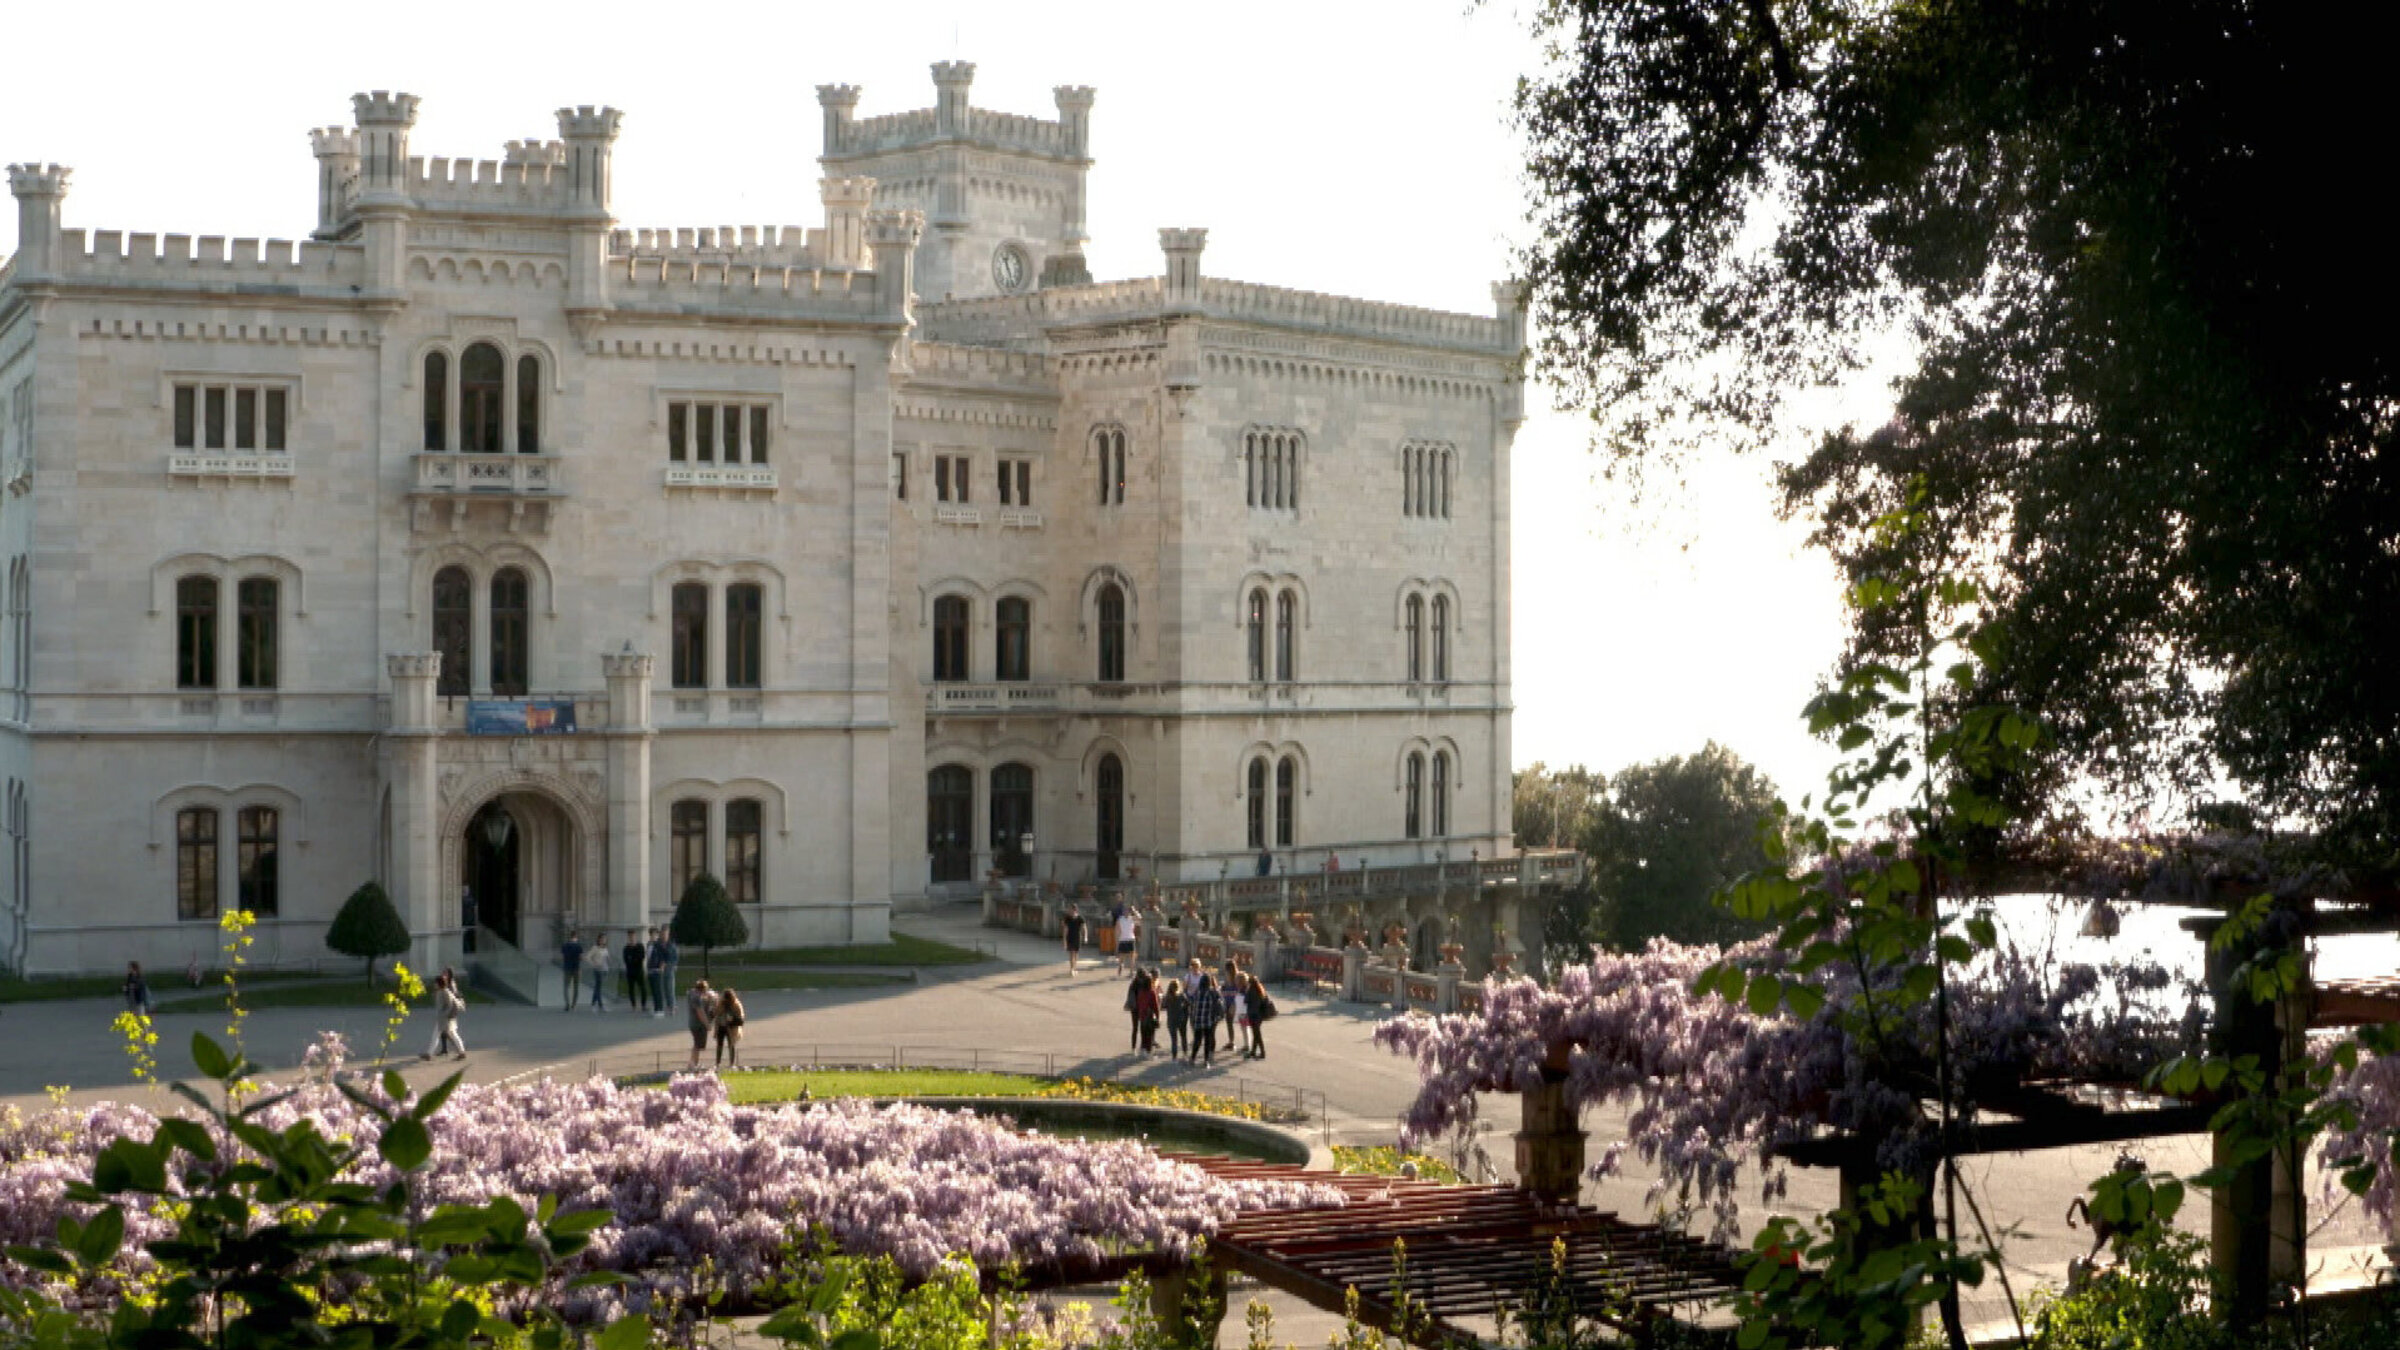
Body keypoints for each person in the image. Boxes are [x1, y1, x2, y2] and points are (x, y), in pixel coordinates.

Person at [422, 970, 467, 1060]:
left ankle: (429, 1054)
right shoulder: (441, 991)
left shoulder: (445, 992)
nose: (434, 985)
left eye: (435, 983)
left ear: (439, 983)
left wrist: (444, 1015)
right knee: (452, 1034)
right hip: (444, 1018)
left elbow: (450, 1005)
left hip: (444, 1018)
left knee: (437, 1035)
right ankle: (461, 1052)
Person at [1187, 974, 1223, 1066]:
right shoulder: (1213, 992)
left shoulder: (1197, 992)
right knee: (1207, 1040)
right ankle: (1206, 1061)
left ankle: (1192, 1058)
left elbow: (1191, 1002)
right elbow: (1220, 1002)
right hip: (1209, 1020)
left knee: (1197, 1040)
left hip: (1198, 1019)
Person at [685, 978, 719, 1070]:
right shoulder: (696, 998)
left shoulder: (692, 993)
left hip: (694, 1023)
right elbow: (700, 1012)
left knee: (697, 1044)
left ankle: (695, 1063)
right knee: (697, 1045)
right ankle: (692, 1064)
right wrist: (707, 1024)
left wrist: (712, 998)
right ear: (702, 990)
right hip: (698, 1024)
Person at [713, 987, 747, 1068]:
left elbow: (741, 1019)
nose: (726, 1002)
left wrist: (732, 1018)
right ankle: (717, 1063)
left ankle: (732, 1064)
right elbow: (716, 1014)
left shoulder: (736, 1004)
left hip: (732, 1027)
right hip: (721, 1026)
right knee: (719, 1045)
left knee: (731, 1044)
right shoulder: (721, 1003)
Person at [1125, 968, 1157, 1053]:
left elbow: (1130, 997)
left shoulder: (1133, 984)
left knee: (1135, 1028)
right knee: (1143, 1028)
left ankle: (1134, 1047)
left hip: (1134, 1008)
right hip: (1142, 1009)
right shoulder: (1144, 984)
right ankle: (1143, 1047)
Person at [1245, 973, 1275, 1059]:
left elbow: (1245, 1001)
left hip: (1252, 1015)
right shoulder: (1260, 990)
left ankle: (1262, 1052)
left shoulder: (1250, 991)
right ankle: (1253, 1052)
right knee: (1256, 1034)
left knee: (1257, 1035)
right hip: (1260, 1015)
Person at [647, 928, 673, 1016]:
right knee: (653, 990)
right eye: (651, 934)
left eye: (654, 934)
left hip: (657, 970)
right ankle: (656, 1008)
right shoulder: (649, 944)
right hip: (650, 970)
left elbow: (667, 955)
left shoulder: (659, 945)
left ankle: (660, 1009)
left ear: (657, 935)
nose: (653, 936)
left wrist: (663, 965)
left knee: (658, 990)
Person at [621, 930, 648, 1011]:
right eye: (630, 936)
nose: (631, 938)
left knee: (643, 988)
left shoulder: (640, 946)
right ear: (628, 937)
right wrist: (634, 959)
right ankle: (633, 1005)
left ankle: (643, 1005)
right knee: (631, 989)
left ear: (635, 936)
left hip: (639, 971)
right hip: (630, 971)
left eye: (633, 936)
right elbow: (626, 960)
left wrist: (633, 959)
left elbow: (642, 957)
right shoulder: (626, 948)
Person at [560, 930, 585, 1012]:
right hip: (576, 968)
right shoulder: (579, 946)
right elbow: (581, 958)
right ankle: (573, 1005)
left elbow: (563, 957)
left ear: (570, 937)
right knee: (576, 987)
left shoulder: (565, 946)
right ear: (576, 937)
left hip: (567, 968)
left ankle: (567, 1003)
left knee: (566, 986)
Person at [1163, 978, 1188, 1059]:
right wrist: (1183, 1007)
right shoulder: (1181, 995)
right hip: (1181, 1019)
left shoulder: (1167, 997)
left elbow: (1163, 1006)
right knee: (1183, 1037)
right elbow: (1188, 1003)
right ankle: (1185, 1053)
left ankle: (1174, 1057)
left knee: (1174, 1040)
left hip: (1171, 1020)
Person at [585, 934, 610, 1012]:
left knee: (597, 988)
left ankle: (593, 1004)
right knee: (598, 988)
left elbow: (607, 957)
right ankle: (600, 1005)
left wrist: (609, 960)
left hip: (604, 970)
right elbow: (587, 957)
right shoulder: (595, 948)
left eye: (604, 939)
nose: (603, 940)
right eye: (602, 939)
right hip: (598, 970)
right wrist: (594, 964)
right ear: (598, 940)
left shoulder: (605, 948)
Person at [1114, 905, 1139, 975]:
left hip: (1131, 938)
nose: (1126, 912)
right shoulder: (1120, 919)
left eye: (1127, 911)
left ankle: (1131, 971)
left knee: (1132, 955)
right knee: (1122, 956)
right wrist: (1117, 940)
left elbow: (1139, 918)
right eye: (1125, 911)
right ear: (1123, 912)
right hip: (1123, 939)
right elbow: (1117, 930)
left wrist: (1134, 911)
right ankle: (1120, 966)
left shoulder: (1132, 919)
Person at [1062, 904, 1086, 975]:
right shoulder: (1067, 918)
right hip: (1070, 937)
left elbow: (1084, 928)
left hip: (1077, 937)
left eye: (1070, 909)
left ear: (1074, 910)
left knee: (1076, 954)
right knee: (1071, 953)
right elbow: (1065, 929)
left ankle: (1075, 967)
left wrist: (1085, 937)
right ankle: (1072, 968)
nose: (1069, 911)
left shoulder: (1080, 918)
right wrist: (1064, 941)